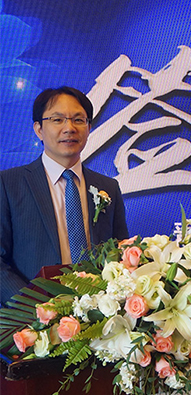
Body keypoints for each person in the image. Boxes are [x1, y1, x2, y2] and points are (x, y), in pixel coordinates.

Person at [0, 86, 128, 304]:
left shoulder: (109, 187)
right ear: (39, 129)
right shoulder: (8, 184)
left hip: (99, 314)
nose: (69, 128)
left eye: (78, 120)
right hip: (34, 317)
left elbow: (121, 252)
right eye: (57, 120)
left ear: (89, 128)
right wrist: (33, 309)